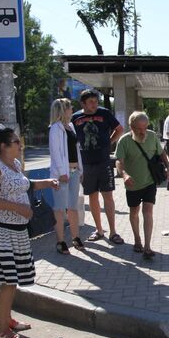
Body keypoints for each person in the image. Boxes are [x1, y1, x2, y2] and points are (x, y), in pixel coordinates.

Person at [0, 122, 58, 338]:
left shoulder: (12, 163)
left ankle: (7, 319)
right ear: (3, 146)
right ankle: (1, 328)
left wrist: (47, 184)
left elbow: (24, 185)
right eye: (15, 142)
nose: (20, 145)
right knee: (8, 281)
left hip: (16, 232)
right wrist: (18, 208)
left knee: (12, 280)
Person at [115, 111, 169, 260]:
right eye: (139, 128)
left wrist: (168, 166)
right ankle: (137, 239)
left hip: (149, 182)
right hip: (132, 184)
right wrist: (124, 175)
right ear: (131, 127)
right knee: (134, 212)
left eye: (145, 127)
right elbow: (119, 161)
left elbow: (162, 153)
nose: (143, 131)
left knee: (148, 211)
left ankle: (147, 246)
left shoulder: (152, 136)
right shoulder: (124, 141)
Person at [71, 89, 125, 244]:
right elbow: (72, 140)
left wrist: (109, 142)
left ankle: (113, 232)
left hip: (103, 161)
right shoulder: (75, 118)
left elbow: (119, 129)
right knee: (92, 196)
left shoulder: (105, 113)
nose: (94, 105)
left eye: (96, 101)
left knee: (108, 195)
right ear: (83, 103)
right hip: (86, 163)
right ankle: (99, 230)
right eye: (91, 102)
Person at [49, 98, 84, 254]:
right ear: (63, 110)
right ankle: (61, 241)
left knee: (73, 207)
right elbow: (55, 152)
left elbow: (76, 150)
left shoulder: (70, 127)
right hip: (62, 174)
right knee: (59, 209)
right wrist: (62, 173)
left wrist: (80, 170)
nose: (72, 110)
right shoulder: (55, 128)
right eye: (70, 107)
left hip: (74, 171)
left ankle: (76, 238)